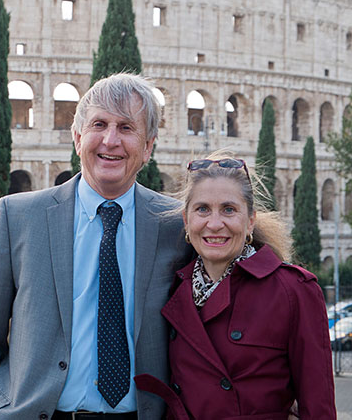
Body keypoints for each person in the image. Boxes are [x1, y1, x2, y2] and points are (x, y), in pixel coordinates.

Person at [0, 73, 194, 419]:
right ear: (78, 137)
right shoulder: (18, 217)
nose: (110, 140)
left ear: (148, 148)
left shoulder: (175, 225)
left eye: (127, 128)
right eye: (99, 124)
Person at [134, 152, 336, 419]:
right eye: (202, 209)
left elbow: (318, 407)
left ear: (250, 220)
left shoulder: (293, 291)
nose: (215, 224)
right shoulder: (172, 289)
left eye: (229, 209)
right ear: (186, 220)